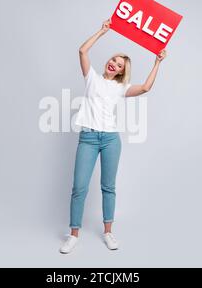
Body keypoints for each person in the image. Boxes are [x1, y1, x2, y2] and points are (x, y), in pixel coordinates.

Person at [59, 18, 167, 254]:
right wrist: (102, 31)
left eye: (119, 64)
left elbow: (146, 87)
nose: (114, 64)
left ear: (121, 71)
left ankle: (108, 233)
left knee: (108, 187)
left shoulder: (121, 89)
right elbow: (82, 50)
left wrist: (157, 62)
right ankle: (73, 234)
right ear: (108, 62)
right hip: (88, 138)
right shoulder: (92, 79)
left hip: (110, 140)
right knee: (79, 187)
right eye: (113, 60)